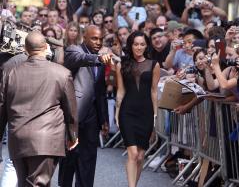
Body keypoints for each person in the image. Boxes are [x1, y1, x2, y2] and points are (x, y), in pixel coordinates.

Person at [0, 31, 78, 187]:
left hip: (18, 138)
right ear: (46, 47)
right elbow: (70, 110)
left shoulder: (9, 73)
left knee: (25, 183)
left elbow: (1, 108)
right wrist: (72, 135)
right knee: (37, 183)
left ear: (25, 49)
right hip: (47, 139)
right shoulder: (62, 73)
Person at [59, 25, 111, 187]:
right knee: (70, 155)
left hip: (93, 115)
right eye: (94, 38)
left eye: (100, 39)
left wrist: (104, 119)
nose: (98, 42)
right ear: (85, 38)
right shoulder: (74, 50)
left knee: (89, 158)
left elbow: (101, 90)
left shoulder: (102, 58)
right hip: (74, 112)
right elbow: (78, 59)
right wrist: (97, 59)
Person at [115, 31, 160, 187]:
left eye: (142, 44)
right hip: (127, 112)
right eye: (135, 44)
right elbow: (120, 91)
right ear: (130, 45)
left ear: (146, 46)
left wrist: (156, 115)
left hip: (146, 112)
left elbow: (154, 91)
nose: (139, 47)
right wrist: (117, 112)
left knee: (140, 156)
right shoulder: (122, 64)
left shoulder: (154, 65)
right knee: (133, 154)